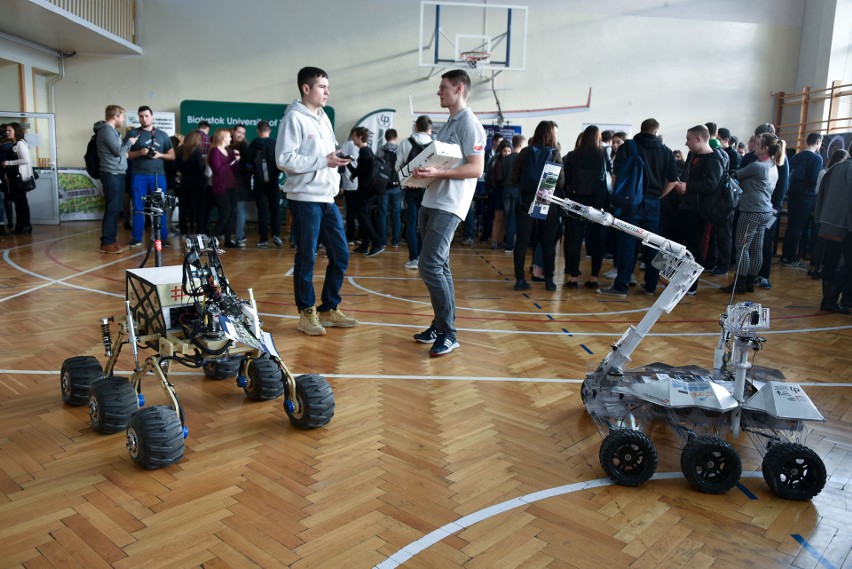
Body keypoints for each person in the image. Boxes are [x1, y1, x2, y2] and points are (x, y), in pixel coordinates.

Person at [275, 66, 357, 336]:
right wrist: (324, 160)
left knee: (341, 254)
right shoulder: (293, 119)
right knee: (307, 256)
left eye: (327, 86)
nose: (327, 91)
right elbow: (284, 160)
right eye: (322, 86)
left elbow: (325, 153)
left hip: (327, 197)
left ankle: (329, 308)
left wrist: (336, 158)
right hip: (304, 199)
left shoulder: (323, 118)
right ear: (306, 88)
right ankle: (306, 312)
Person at [410, 69, 485, 357]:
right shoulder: (449, 123)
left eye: (443, 87)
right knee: (439, 267)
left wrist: (439, 171)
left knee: (428, 265)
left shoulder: (470, 124)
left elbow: (476, 169)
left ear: (459, 88)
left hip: (449, 206)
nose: (439, 92)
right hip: (431, 199)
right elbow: (444, 163)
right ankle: (440, 324)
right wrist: (424, 174)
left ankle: (448, 333)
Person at [602, 118, 678, 297]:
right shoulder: (666, 151)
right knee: (652, 245)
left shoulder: (629, 147)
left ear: (641, 129)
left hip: (629, 202)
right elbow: (673, 181)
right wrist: (658, 196)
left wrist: (618, 197)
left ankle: (621, 285)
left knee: (627, 244)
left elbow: (616, 176)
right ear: (656, 131)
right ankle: (650, 285)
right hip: (653, 203)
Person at [722, 132, 785, 293]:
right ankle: (749, 281)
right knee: (756, 248)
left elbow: (736, 174)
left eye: (757, 144)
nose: (753, 147)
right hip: (765, 210)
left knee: (742, 247)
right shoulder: (773, 166)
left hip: (751, 210)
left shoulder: (758, 166)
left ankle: (740, 282)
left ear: (764, 148)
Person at [670, 125, 725, 295]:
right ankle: (675, 278)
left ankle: (692, 285)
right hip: (686, 206)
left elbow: (711, 184)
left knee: (695, 247)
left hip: (699, 211)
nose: (686, 143)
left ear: (699, 139)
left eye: (689, 139)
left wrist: (688, 186)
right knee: (675, 242)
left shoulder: (714, 159)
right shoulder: (693, 155)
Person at [511, 120, 564, 292]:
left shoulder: (525, 152)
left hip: (525, 201)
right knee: (547, 242)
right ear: (550, 135)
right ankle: (549, 280)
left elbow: (514, 178)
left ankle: (520, 279)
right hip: (546, 200)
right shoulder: (555, 154)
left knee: (522, 241)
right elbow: (560, 183)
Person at [562, 125, 609, 290]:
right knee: (597, 241)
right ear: (598, 138)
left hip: (575, 201)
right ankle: (594, 277)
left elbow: (565, 179)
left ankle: (573, 277)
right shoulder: (603, 156)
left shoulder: (572, 155)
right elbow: (607, 180)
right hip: (597, 203)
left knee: (573, 239)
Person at [125, 106, 174, 247]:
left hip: (158, 176)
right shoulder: (133, 134)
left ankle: (162, 238)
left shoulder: (162, 135)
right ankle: (137, 237)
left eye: (146, 116)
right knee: (138, 207)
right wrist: (140, 153)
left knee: (160, 207)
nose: (144, 118)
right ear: (138, 117)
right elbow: (125, 154)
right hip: (139, 174)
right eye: (141, 116)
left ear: (152, 117)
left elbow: (172, 155)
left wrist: (160, 155)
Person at [95, 105, 137, 253]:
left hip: (117, 173)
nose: (123, 120)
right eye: (122, 117)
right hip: (111, 174)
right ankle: (107, 242)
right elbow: (118, 151)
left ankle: (112, 241)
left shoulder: (112, 132)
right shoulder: (106, 131)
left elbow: (120, 152)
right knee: (112, 208)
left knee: (115, 208)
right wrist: (130, 142)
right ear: (115, 116)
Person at [814, 151, 852, 313]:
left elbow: (821, 194)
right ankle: (833, 299)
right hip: (847, 224)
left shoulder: (836, 167)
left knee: (830, 261)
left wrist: (820, 217)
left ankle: (828, 300)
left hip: (828, 222)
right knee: (848, 264)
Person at [780, 132, 824, 267]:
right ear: (818, 142)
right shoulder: (817, 159)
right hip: (806, 197)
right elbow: (812, 180)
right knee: (798, 228)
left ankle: (785, 256)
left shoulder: (796, 156)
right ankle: (791, 258)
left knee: (791, 226)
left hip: (793, 195)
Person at [396, 115, 433, 269]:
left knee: (411, 223)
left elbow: (398, 166)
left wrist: (407, 181)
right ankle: (425, 258)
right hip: (428, 189)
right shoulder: (434, 145)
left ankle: (413, 258)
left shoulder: (405, 143)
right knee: (426, 224)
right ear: (429, 129)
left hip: (411, 189)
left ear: (416, 127)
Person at [347, 126, 384, 257]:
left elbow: (361, 172)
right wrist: (354, 172)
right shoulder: (368, 151)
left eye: (354, 136)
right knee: (365, 217)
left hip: (365, 192)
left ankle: (377, 243)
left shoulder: (364, 152)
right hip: (370, 192)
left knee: (362, 217)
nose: (352, 138)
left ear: (359, 137)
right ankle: (364, 245)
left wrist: (348, 164)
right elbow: (362, 171)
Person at [249, 120, 283, 248]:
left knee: (262, 212)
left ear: (258, 130)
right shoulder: (275, 144)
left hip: (259, 184)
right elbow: (280, 163)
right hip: (273, 183)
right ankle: (276, 235)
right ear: (269, 130)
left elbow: (248, 164)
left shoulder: (253, 144)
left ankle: (263, 239)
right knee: (275, 210)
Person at [208, 128, 241, 248]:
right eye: (229, 136)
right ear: (223, 137)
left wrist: (236, 159)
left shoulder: (229, 150)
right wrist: (233, 162)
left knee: (231, 214)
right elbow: (218, 169)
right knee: (225, 214)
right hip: (220, 186)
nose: (231, 138)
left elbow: (234, 169)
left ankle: (228, 240)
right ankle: (213, 239)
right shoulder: (215, 151)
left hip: (232, 185)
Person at [2, 123, 34, 235]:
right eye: (6, 130)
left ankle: (25, 226)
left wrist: (9, 162)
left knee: (21, 203)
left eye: (9, 130)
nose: (7, 132)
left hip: (18, 178)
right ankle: (21, 226)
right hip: (14, 178)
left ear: (16, 131)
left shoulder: (20, 144)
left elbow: (26, 160)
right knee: (20, 202)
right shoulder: (15, 143)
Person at [500, 134, 526, 254]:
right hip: (516, 190)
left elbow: (500, 176)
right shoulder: (522, 158)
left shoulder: (505, 159)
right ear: (521, 144)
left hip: (505, 189)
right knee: (514, 218)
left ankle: (508, 243)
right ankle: (510, 244)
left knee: (507, 217)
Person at [176, 130, 205, 236]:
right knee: (198, 208)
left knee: (183, 208)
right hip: (197, 182)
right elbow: (199, 168)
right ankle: (199, 231)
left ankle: (183, 231)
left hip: (184, 181)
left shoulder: (180, 150)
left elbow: (177, 166)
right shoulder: (197, 151)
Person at [377, 129, 402, 248]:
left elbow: (375, 168)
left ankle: (382, 241)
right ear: (396, 137)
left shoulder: (380, 150)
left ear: (385, 137)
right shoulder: (399, 150)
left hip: (383, 186)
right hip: (397, 185)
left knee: (382, 213)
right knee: (396, 213)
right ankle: (396, 241)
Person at [230, 124, 251, 246]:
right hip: (228, 183)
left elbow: (247, 168)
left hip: (241, 183)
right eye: (239, 132)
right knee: (231, 210)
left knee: (240, 209)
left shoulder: (245, 147)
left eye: (243, 133)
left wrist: (238, 160)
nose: (241, 135)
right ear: (233, 132)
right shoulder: (227, 145)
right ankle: (232, 235)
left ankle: (239, 237)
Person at [339, 127, 361, 244]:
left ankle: (351, 236)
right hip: (358, 183)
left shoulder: (343, 146)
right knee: (358, 212)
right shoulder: (357, 146)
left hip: (347, 183)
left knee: (350, 212)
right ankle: (357, 236)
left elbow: (341, 166)